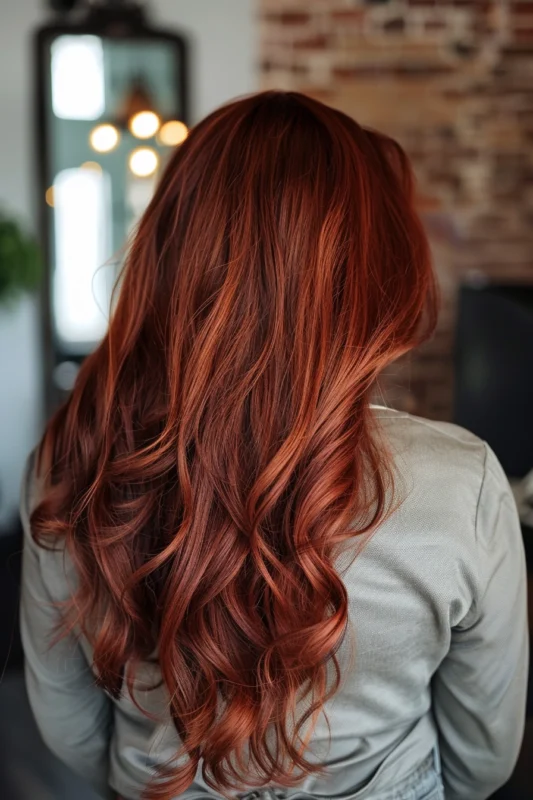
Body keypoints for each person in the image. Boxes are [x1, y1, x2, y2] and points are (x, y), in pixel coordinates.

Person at [20, 91, 528, 800]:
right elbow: (483, 757)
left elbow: (70, 729)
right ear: (372, 273)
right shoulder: (463, 483)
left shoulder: (69, 464)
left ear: (171, 251)